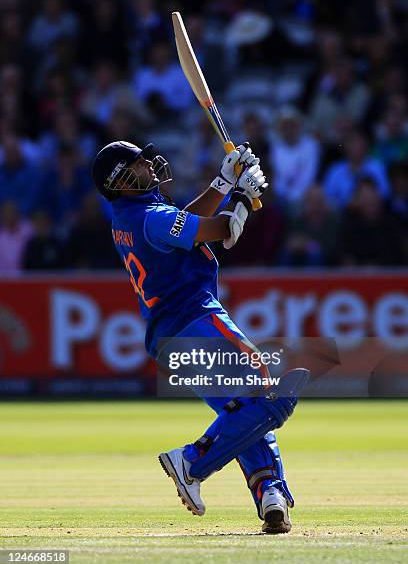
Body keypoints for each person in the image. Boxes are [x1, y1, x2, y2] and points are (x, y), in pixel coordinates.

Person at [91, 139, 301, 533]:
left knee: (242, 413)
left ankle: (270, 492)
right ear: (120, 180)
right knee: (270, 395)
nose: (150, 166)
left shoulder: (132, 215)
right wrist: (242, 197)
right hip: (195, 319)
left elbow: (183, 226)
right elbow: (220, 230)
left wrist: (224, 181)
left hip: (169, 339)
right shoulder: (149, 217)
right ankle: (192, 462)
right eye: (138, 165)